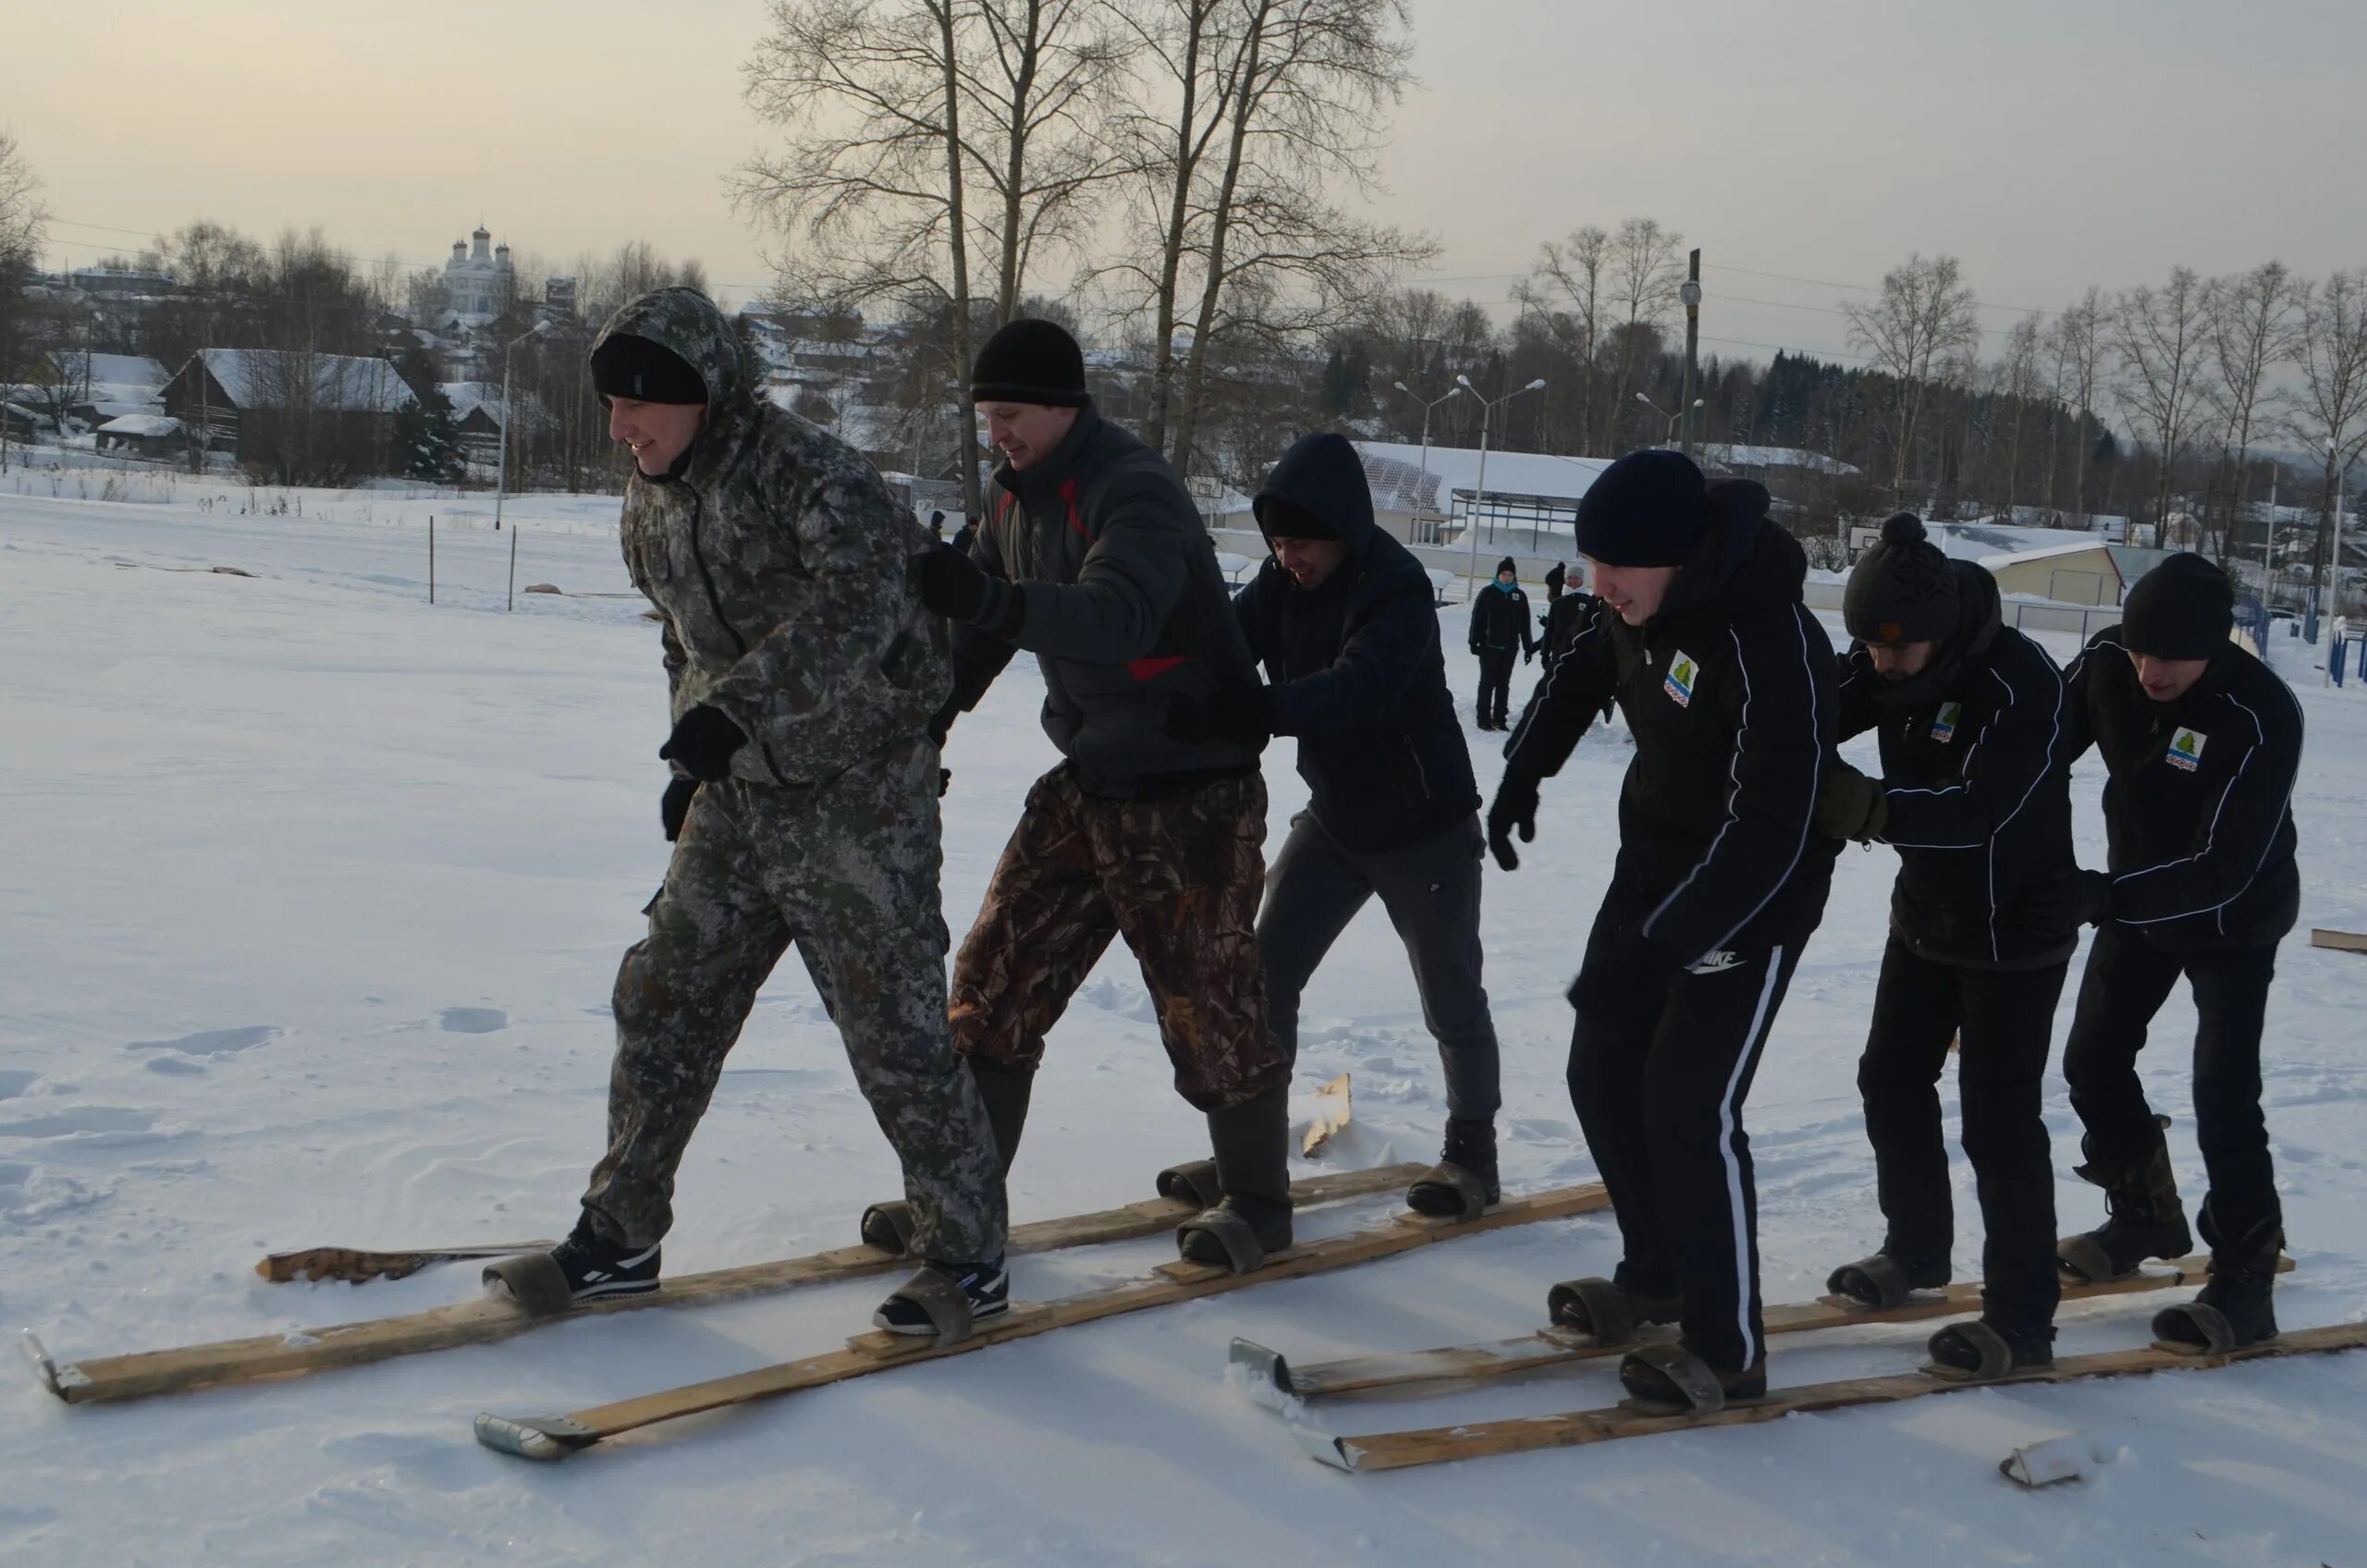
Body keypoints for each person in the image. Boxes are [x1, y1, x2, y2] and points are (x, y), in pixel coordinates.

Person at [490, 287, 1008, 1342]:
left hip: (857, 791)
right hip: (740, 791)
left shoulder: (807, 474)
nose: (621, 426)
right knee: (662, 993)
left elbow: (864, 610)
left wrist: (737, 711)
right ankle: (620, 1233)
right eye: (610, 405)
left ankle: (967, 1254)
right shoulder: (648, 500)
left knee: (893, 1029)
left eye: (642, 405)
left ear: (704, 394)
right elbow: (684, 640)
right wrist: (694, 744)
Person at [915, 319, 1294, 1273]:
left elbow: (1117, 616)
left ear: (1061, 407)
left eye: (1008, 416)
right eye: (985, 419)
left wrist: (988, 600)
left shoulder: (1136, 491)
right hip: (1088, 777)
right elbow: (979, 635)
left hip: (1190, 788)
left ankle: (1257, 1201)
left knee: (1209, 1006)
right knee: (992, 985)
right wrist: (924, 719)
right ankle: (969, 1198)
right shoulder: (1010, 500)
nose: (995, 434)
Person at [1490, 448, 1837, 1413]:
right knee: (1598, 1072)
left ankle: (1727, 1348)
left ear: (1679, 556)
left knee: (1689, 1106)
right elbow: (1579, 669)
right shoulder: (1635, 607)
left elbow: (1772, 827)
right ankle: (1657, 1273)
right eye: (1591, 562)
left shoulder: (1771, 643)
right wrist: (1525, 767)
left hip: (1750, 896)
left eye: (1618, 567)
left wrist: (1665, 944)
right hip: (1649, 869)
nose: (1599, 585)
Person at [1180, 431, 1502, 1218]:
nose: (1290, 558)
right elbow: (1223, 644)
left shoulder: (1395, 588)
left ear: (1346, 529)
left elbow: (1359, 686)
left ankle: (1472, 1157)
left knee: (1450, 999)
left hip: (1424, 827)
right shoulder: (1280, 581)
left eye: (1303, 543)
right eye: (1278, 542)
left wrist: (1259, 708)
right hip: (1334, 820)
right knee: (1264, 975)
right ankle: (1249, 1147)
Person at [1813, 512, 2088, 1379]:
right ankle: (1919, 1254)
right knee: (1888, 1079)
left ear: (1940, 632)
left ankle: (2021, 1319)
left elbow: (1981, 810)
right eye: (1869, 648)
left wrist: (1869, 809)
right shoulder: (1892, 653)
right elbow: (1818, 713)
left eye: (1895, 652)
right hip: (1927, 918)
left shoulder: (2024, 685)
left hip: (2016, 929)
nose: (1880, 666)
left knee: (2000, 1123)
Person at [2055, 553, 2302, 1353]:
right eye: (2138, 651)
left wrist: (2105, 897)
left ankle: (2244, 1280)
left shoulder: (2260, 713)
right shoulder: (2106, 669)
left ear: (2214, 644)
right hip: (2136, 899)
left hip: (2235, 918)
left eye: (2170, 657)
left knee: (2224, 1094)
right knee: (2092, 1060)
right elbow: (2035, 749)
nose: (2150, 671)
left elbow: (2224, 866)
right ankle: (2144, 1217)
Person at [1468, 557, 1537, 729]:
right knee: (1487, 682)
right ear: (1497, 575)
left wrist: (1528, 647)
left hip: (1510, 648)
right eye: (1503, 574)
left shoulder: (1519, 596)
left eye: (1510, 575)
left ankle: (1500, 719)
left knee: (1503, 684)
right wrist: (1474, 641)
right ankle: (1483, 719)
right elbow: (1477, 618)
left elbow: (1525, 624)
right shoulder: (1487, 593)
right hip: (1488, 646)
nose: (1506, 578)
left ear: (1514, 576)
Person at [1539, 559, 1595, 666]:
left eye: (1576, 578)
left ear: (1582, 580)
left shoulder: (1590, 602)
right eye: (1570, 578)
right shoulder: (1557, 603)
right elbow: (1549, 630)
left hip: (1581, 653)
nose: (1573, 581)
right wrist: (1544, 653)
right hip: (1559, 651)